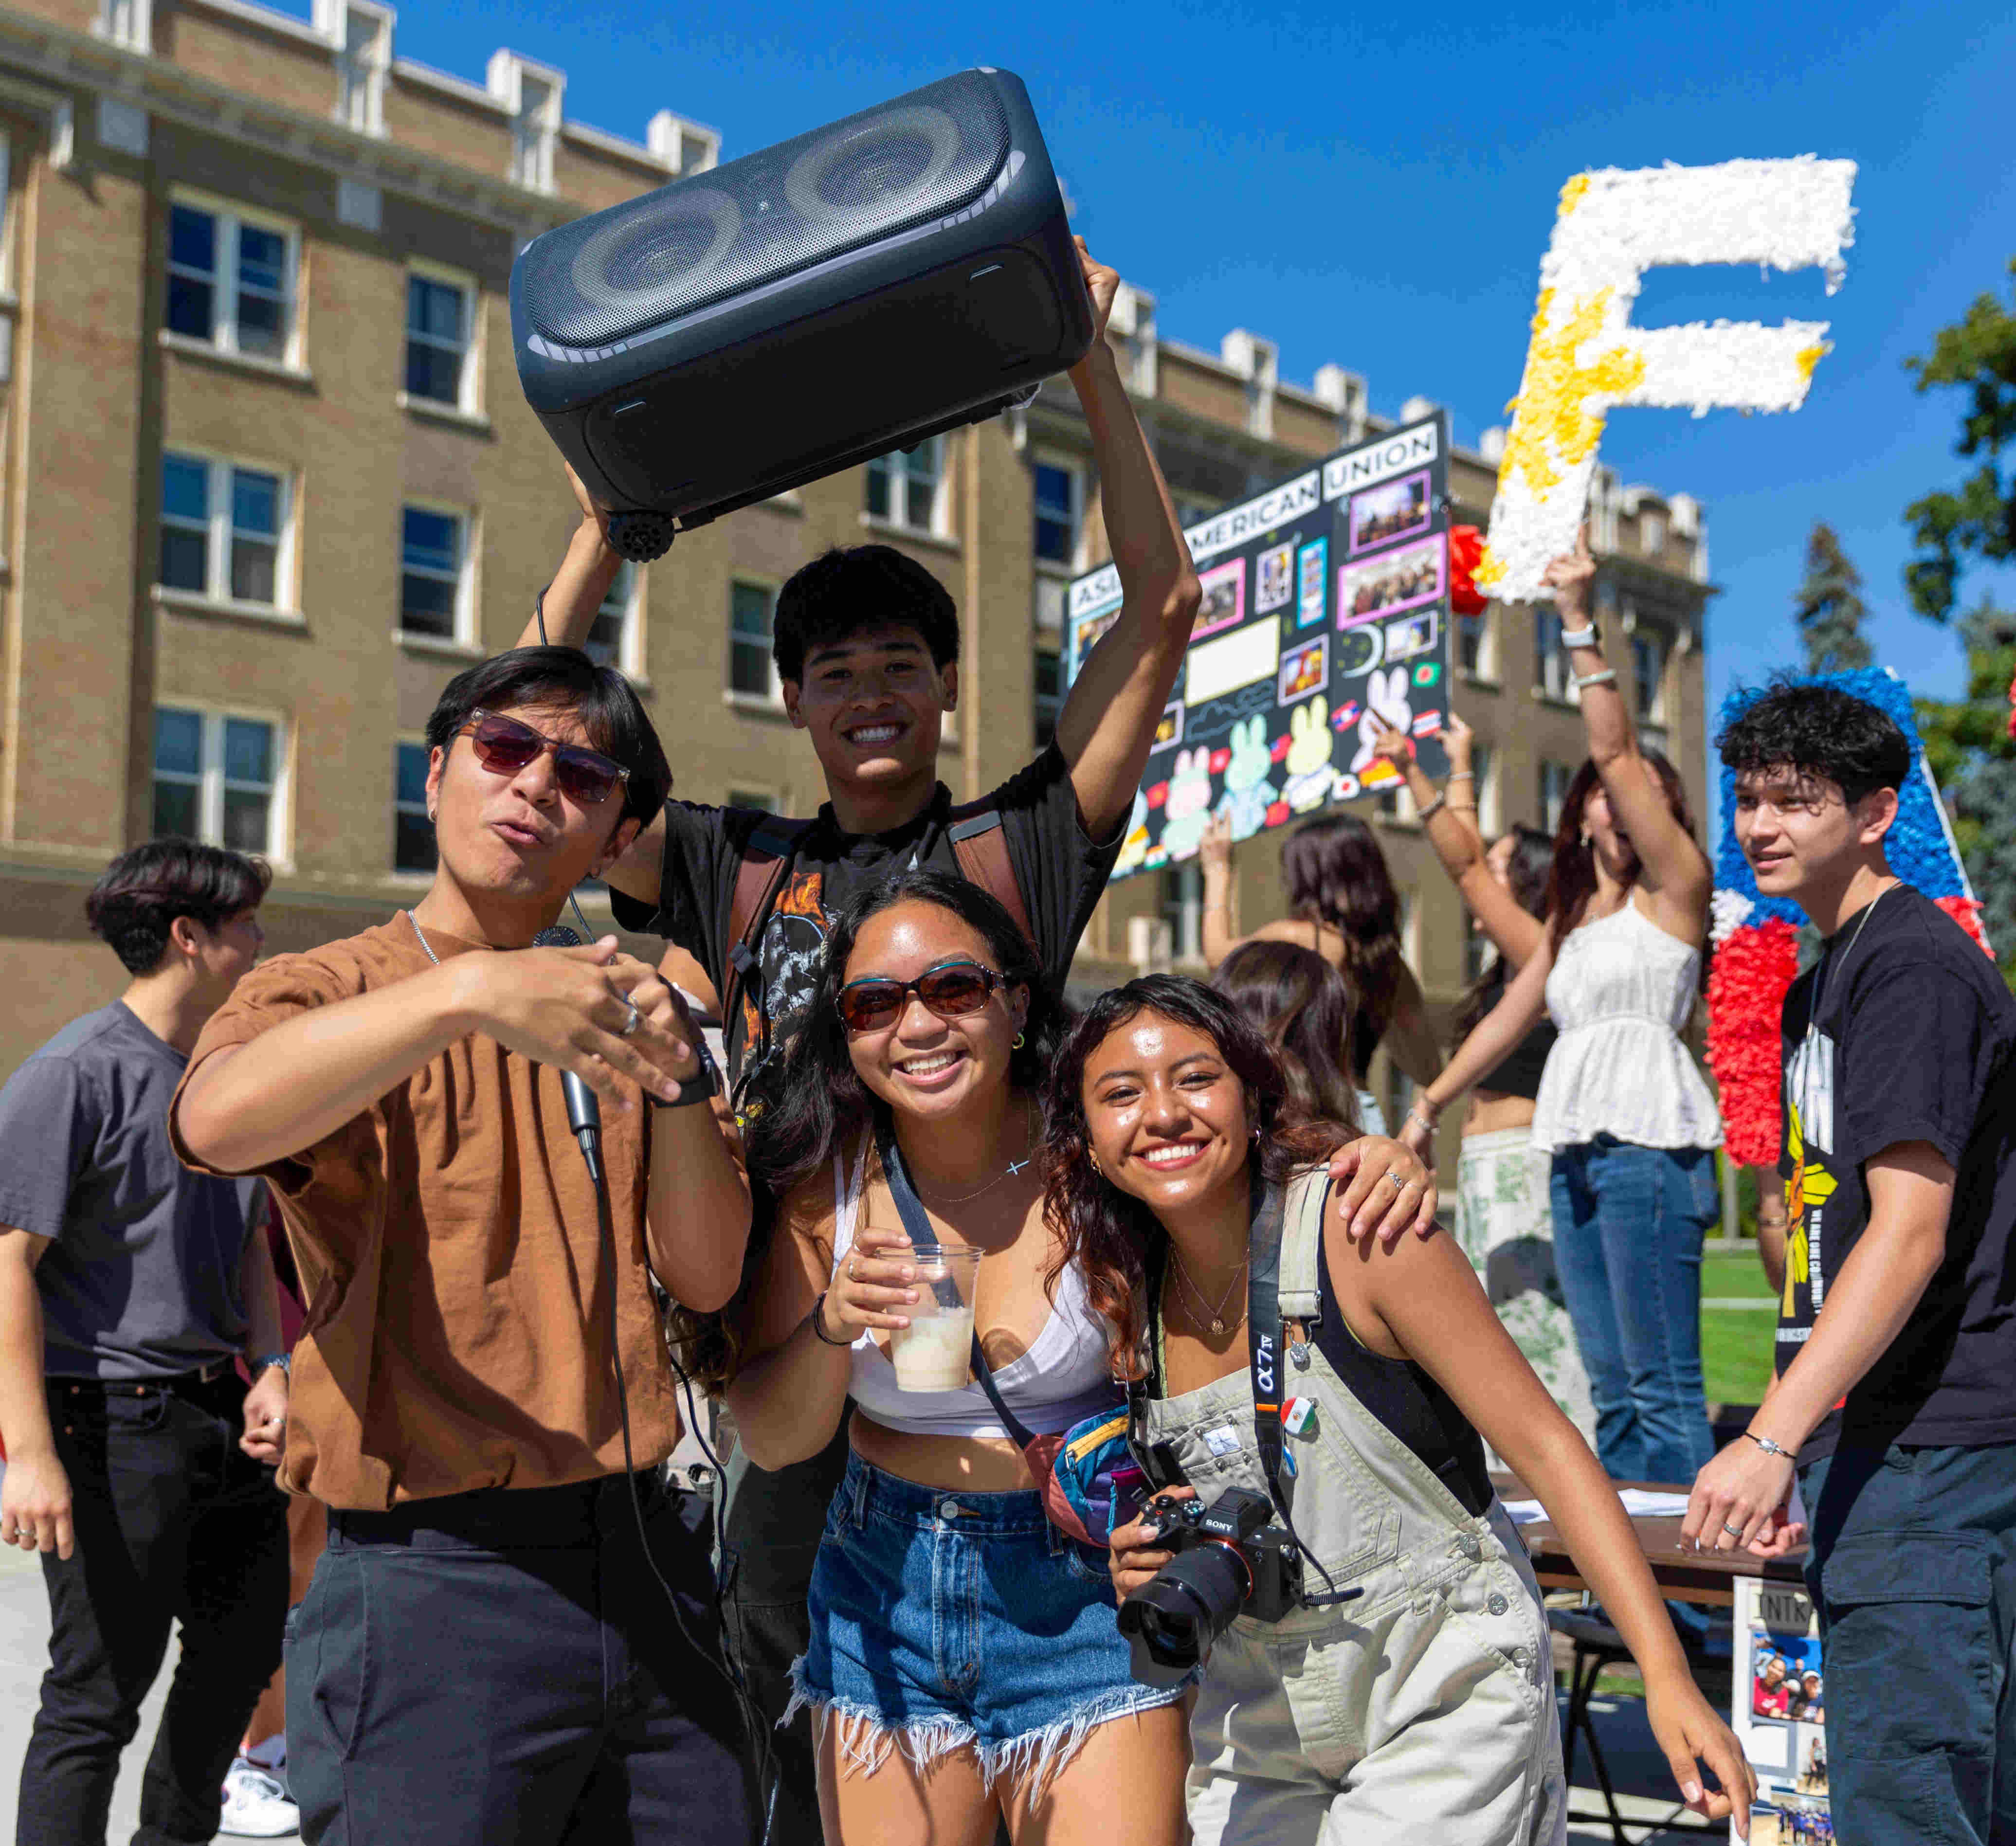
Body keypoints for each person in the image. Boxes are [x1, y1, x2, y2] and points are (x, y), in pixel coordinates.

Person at [523, 238, 1207, 1841]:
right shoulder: (729, 861)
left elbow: (1162, 608)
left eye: (900, 665)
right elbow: (545, 751)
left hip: (1003, 1393)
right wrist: (600, 527)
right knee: (789, 1763)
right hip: (797, 1358)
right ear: (798, 703)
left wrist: (1087, 358)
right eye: (837, 673)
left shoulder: (1011, 852)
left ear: (946, 692)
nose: (872, 695)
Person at [168, 647, 757, 1845]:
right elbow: (213, 1123)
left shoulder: (623, 1002)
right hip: (435, 1574)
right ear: (434, 775)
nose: (538, 785)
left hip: (650, 1550)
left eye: (584, 775)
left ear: (609, 837)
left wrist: (684, 1081)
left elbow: (707, 1276)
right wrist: (467, 994)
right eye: (504, 750)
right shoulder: (339, 986)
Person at [1049, 976, 1752, 1844]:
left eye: (1194, 1077)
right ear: (1084, 1139)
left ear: (1251, 1093)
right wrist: (1151, 1554)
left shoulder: (1362, 1227)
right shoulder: (1126, 1294)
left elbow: (1547, 1445)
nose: (1162, 1112)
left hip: (1440, 1685)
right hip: (1255, 1715)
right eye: (1120, 1092)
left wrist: (1665, 1672)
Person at [725, 874, 1186, 1842]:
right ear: (846, 1033)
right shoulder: (825, 1181)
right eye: (875, 1003)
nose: (917, 1025)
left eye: (953, 988)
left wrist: (1364, 1158)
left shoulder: (1096, 1159)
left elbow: (1232, 1164)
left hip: (1085, 1592)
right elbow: (773, 1438)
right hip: (881, 1587)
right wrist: (832, 1324)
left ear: (1016, 1003)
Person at [1681, 681, 2016, 1846]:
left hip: (1938, 1453)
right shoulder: (1821, 980)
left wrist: (1769, 1437)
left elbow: (1907, 1228)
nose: (1759, 825)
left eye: (1793, 800)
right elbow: (1821, 1238)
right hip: (1866, 1447)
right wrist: (1808, 1440)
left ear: (1874, 812)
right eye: (1746, 799)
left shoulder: (1910, 969)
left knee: (1909, 1811)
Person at [1400, 534, 1721, 1492]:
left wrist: (1577, 617)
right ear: (1580, 817)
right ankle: (1638, 1582)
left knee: (1662, 1384)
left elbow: (1614, 746)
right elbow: (1502, 1021)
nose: (1623, 812)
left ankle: (1693, 1600)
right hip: (1575, 1155)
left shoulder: (1677, 894)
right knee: (1612, 1388)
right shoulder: (1570, 922)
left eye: (1647, 802)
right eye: (1609, 803)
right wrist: (1427, 1106)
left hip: (1647, 1152)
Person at [0, 840, 291, 1846]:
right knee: (97, 1695)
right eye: (244, 923)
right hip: (109, 1426)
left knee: (242, 1651)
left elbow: (252, 1239)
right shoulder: (73, 1074)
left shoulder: (227, 1076)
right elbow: (8, 1267)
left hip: (220, 1413)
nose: (259, 941)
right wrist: (29, 1456)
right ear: (188, 937)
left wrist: (276, 1367)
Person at [1369, 714, 1594, 1447]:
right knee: (1501, 1338)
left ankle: (1571, 1464)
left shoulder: (1545, 946)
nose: (1486, 873)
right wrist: (1461, 759)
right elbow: (1469, 863)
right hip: (1495, 1171)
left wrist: (1416, 775)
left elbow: (1464, 869)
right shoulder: (1513, 969)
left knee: (1540, 1340)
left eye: (1504, 866)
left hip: (1524, 1166)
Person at [1200, 810, 1439, 1134]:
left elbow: (1218, 956)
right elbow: (1427, 1069)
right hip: (1362, 1115)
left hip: (1308, 1115)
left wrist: (1218, 870)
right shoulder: (1387, 964)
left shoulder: (1298, 938)